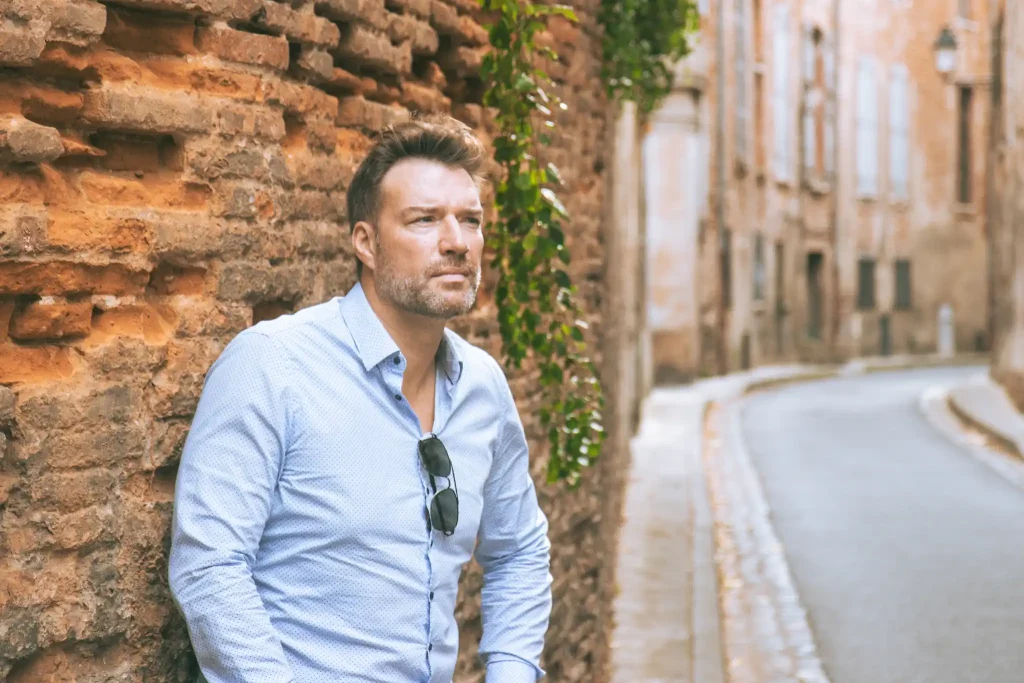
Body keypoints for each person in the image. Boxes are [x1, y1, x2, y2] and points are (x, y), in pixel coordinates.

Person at [168, 114, 553, 683]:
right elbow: (209, 567)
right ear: (366, 243)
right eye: (424, 220)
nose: (456, 242)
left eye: (470, 221)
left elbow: (519, 550)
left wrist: (512, 672)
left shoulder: (483, 387)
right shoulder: (273, 365)